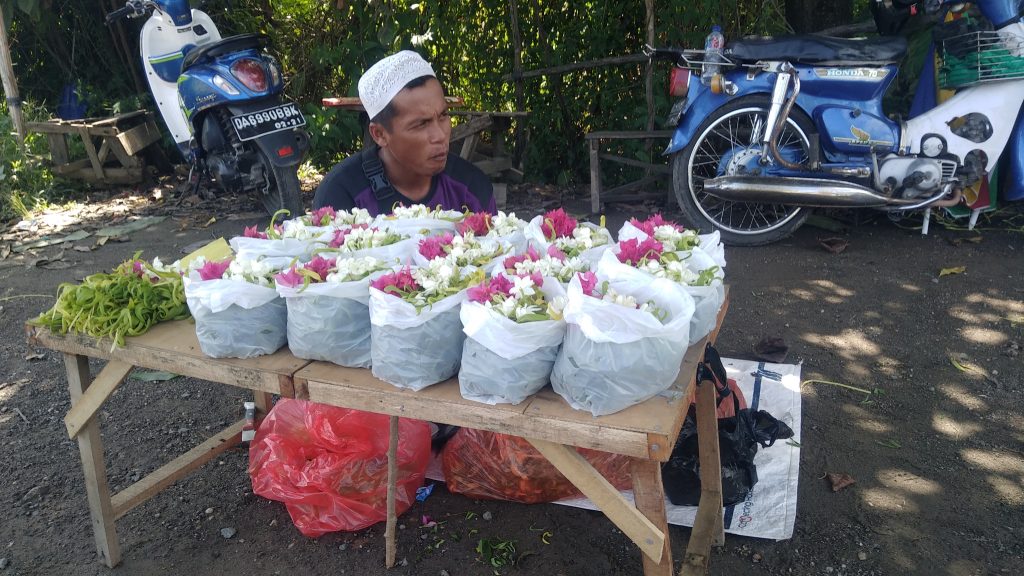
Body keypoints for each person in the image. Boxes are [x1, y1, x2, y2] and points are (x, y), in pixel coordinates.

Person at [313, 51, 496, 216]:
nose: (439, 135)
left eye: (443, 116)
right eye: (421, 124)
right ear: (379, 134)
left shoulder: (471, 187)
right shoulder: (341, 195)